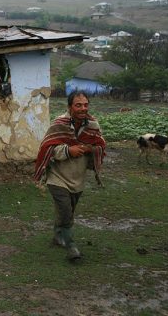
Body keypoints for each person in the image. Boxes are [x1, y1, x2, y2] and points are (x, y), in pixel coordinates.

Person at [34, 91, 106, 260]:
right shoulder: (59, 124)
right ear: (69, 106)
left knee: (68, 210)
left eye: (85, 105)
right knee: (65, 210)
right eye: (78, 105)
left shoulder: (93, 125)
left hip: (77, 178)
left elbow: (101, 145)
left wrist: (89, 148)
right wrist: (68, 150)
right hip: (57, 177)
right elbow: (47, 148)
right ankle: (71, 247)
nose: (83, 108)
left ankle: (58, 235)